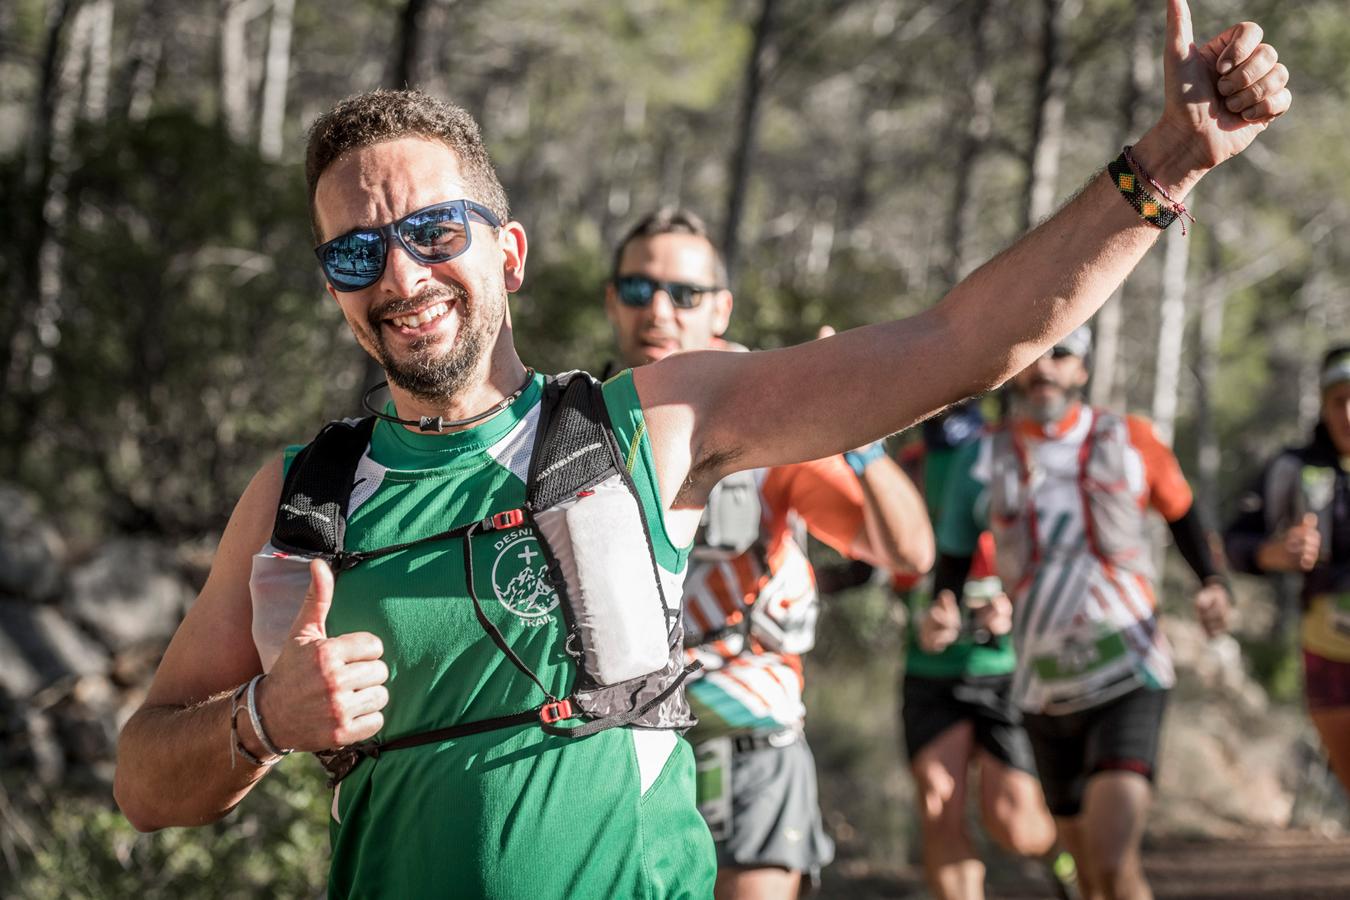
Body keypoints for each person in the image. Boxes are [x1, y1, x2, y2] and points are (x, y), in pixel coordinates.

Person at [111, 4, 1289, 897]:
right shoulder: (303, 493)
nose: (402, 279)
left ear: (508, 252)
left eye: (430, 232)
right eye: (357, 256)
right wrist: (259, 721)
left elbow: (960, 343)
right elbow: (144, 779)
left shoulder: (647, 423)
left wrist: (1166, 167)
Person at [604, 208, 934, 899]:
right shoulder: (575, 430)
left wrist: (855, 424)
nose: (659, 310)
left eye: (685, 294)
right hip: (616, 749)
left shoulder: (766, 426)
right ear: (614, 300)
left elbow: (907, 550)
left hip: (746, 738)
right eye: (638, 290)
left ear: (720, 309)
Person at [928, 325, 1234, 900]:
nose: (1044, 368)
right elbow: (952, 560)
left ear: (1082, 371)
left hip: (1130, 674)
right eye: (1032, 355)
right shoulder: (982, 459)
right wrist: (943, 611)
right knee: (1089, 874)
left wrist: (1213, 584)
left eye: (1061, 354)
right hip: (1044, 689)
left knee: (1113, 858)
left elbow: (1186, 518)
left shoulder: (1130, 439)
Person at [893, 404, 1063, 900]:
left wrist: (1014, 603)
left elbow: (1052, 550)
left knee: (1012, 823)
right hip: (929, 667)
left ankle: (1066, 855)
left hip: (1002, 669)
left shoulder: (1004, 455)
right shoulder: (908, 464)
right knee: (937, 803)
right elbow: (878, 562)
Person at [1224, 345, 1350, 798]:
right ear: (1323, 402)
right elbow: (1234, 542)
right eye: (1339, 400)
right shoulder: (1292, 468)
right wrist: (1272, 554)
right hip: (1328, 648)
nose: (1349, 412)